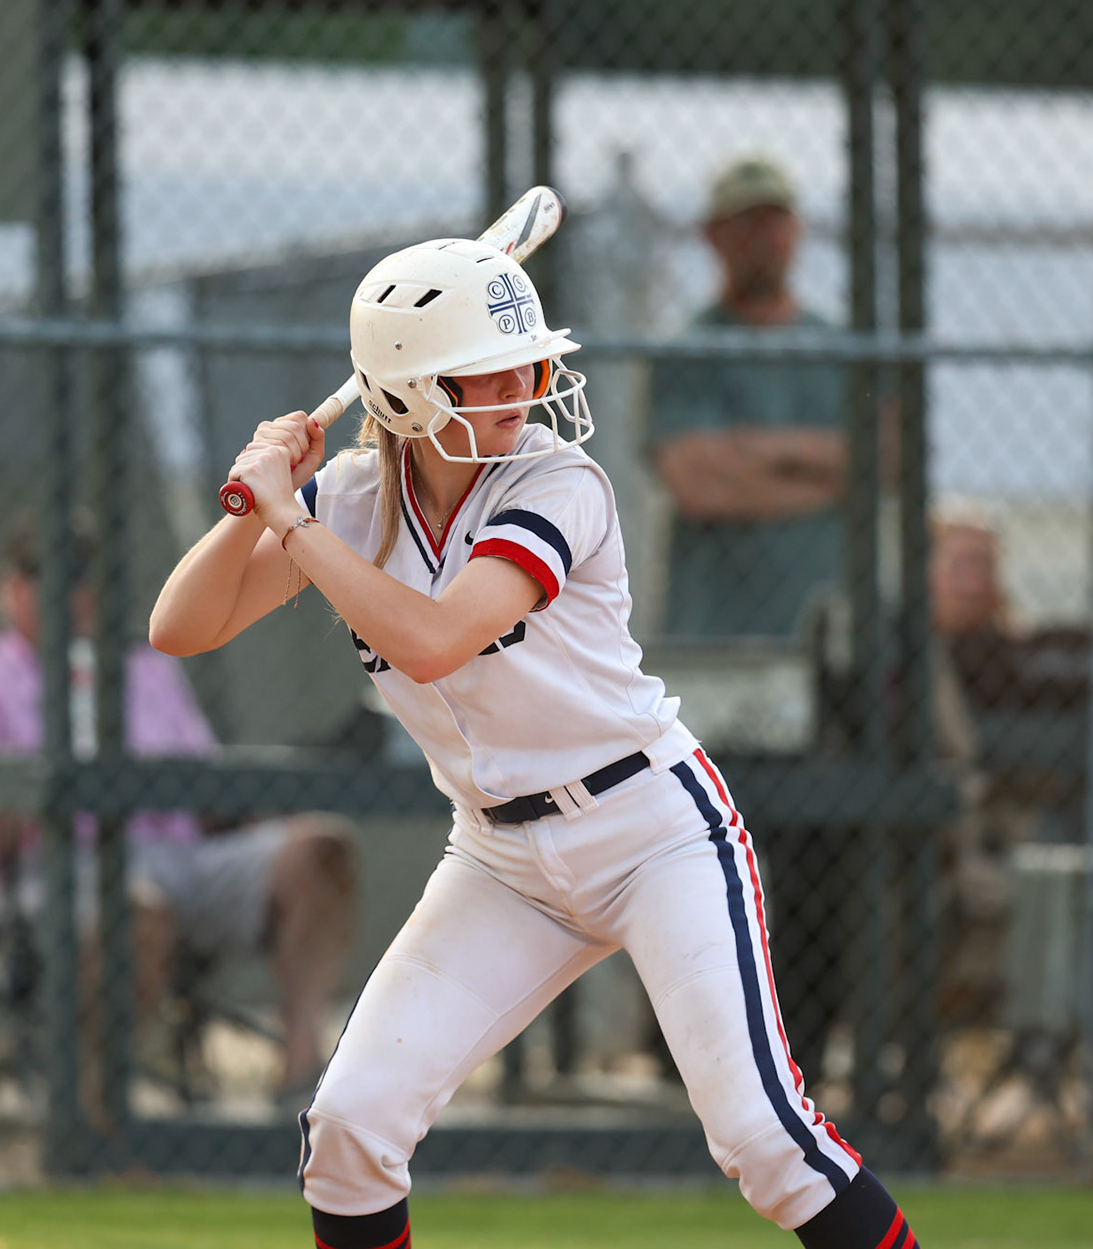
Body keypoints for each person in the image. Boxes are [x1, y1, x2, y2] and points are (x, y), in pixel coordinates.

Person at [151, 238, 920, 1249]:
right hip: (502, 856)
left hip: (651, 829)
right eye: (485, 368)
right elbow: (181, 625)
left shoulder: (558, 482)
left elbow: (431, 641)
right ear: (408, 393)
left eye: (527, 362)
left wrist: (293, 524)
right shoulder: (344, 501)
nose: (522, 385)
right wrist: (261, 499)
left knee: (763, 1139)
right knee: (350, 1125)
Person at [0, 520, 356, 1100]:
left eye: (76, 578)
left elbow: (204, 783)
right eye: (38, 578)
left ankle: (303, 1077)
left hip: (182, 855)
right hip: (59, 868)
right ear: (9, 588)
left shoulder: (145, 669)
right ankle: (100, 1102)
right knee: (134, 906)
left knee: (321, 850)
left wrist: (252, 808)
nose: (62, 593)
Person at [646, 156, 848, 639]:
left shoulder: (838, 346)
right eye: (746, 224)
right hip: (715, 625)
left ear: (798, 230)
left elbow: (879, 463)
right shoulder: (688, 350)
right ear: (712, 235)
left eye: (774, 222)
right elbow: (697, 483)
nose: (762, 239)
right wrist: (826, 477)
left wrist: (745, 452)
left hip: (824, 620)